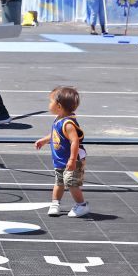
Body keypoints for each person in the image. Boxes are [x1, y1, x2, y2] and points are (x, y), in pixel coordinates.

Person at [34, 86, 89, 217]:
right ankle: (55, 203)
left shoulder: (68, 123)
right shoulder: (59, 119)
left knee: (72, 183)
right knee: (59, 182)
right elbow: (55, 134)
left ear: (58, 106)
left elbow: (74, 142)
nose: (49, 104)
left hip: (73, 160)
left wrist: (72, 160)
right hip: (60, 160)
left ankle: (82, 205)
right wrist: (44, 140)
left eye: (50, 101)